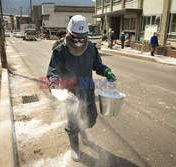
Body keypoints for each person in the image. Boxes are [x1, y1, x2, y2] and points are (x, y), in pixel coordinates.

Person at [46, 15, 116, 162]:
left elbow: (97, 65)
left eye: (82, 39)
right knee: (73, 120)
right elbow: (53, 73)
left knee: (87, 115)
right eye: (75, 39)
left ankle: (83, 134)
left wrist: (106, 71)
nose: (79, 42)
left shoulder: (90, 48)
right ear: (69, 34)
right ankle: (74, 146)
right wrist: (54, 86)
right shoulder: (60, 51)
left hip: (87, 89)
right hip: (69, 92)